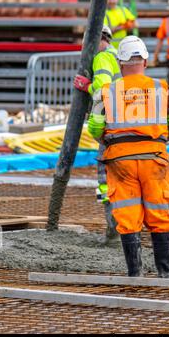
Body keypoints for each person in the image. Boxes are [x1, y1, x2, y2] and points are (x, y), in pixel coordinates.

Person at [88, 35, 169, 277]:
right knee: (158, 213)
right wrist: (158, 141)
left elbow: (95, 128)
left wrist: (112, 143)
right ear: (145, 61)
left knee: (127, 214)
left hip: (119, 161)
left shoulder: (107, 91)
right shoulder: (161, 88)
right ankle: (166, 273)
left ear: (120, 64)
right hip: (154, 158)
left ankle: (135, 274)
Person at [73, 26, 121, 244]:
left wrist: (87, 85)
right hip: (124, 122)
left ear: (98, 39)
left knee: (106, 179)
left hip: (109, 124)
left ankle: (114, 231)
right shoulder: (118, 54)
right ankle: (124, 229)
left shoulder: (102, 57)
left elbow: (103, 89)